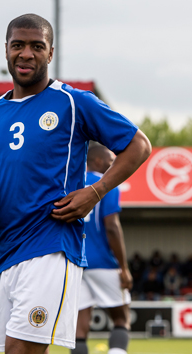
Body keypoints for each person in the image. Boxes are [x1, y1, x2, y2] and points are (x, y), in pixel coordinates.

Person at [0, 14, 151, 354]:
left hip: (51, 246)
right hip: (4, 255)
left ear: (50, 54)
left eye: (37, 46)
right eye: (18, 45)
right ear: (5, 50)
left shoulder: (73, 102)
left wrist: (95, 191)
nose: (26, 54)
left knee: (22, 351)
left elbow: (138, 145)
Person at [72, 143, 133, 354]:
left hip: (74, 263)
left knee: (79, 327)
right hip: (102, 262)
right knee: (121, 318)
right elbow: (112, 227)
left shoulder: (72, 185)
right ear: (97, 161)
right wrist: (124, 267)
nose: (113, 162)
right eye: (110, 159)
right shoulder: (106, 184)